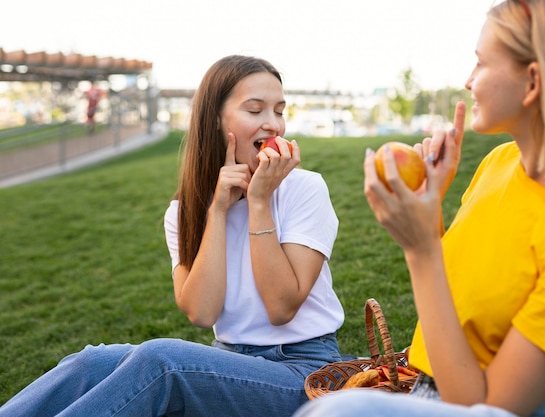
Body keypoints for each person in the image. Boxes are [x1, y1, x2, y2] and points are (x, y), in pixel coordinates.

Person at [294, 1, 545, 417]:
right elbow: (460, 302)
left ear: (533, 81)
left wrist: (419, 251)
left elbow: (482, 410)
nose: (468, 81)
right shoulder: (501, 163)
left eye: (481, 63)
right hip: (430, 390)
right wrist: (427, 215)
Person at [0, 55, 345, 417]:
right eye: (255, 110)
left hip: (307, 374)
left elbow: (281, 307)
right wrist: (217, 211)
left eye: (279, 110)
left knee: (161, 361)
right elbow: (201, 311)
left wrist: (259, 201)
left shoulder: (304, 189)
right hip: (230, 362)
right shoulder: (185, 211)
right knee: (91, 362)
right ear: (215, 119)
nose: (273, 124)